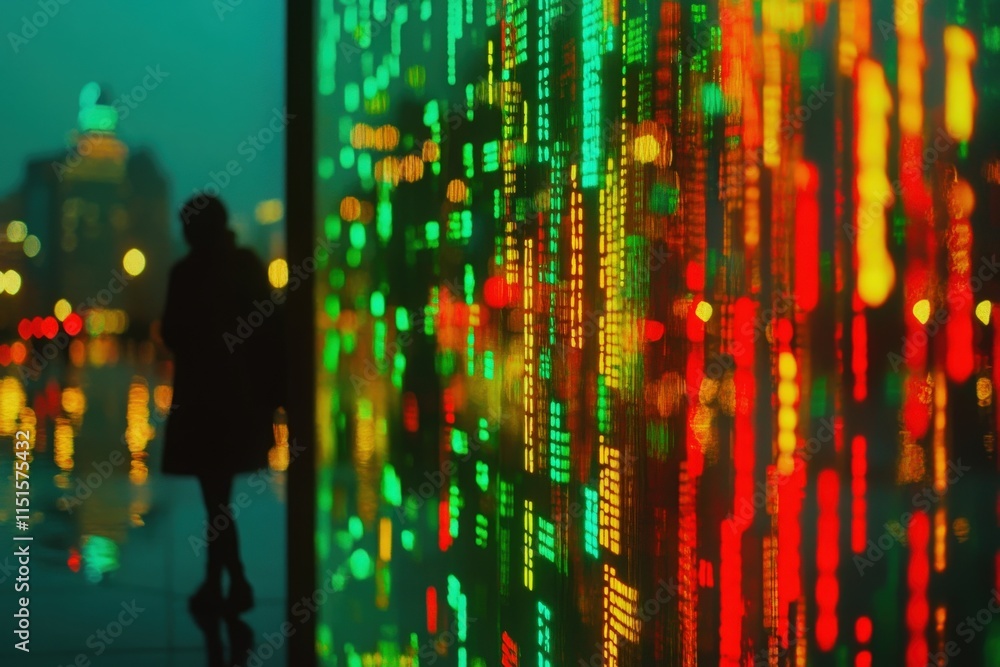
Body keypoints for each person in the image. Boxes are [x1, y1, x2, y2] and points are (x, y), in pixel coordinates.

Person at [160, 193, 283, 615]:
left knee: (215, 498)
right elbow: (268, 329)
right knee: (219, 497)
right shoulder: (245, 265)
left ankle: (229, 581)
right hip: (240, 398)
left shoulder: (186, 272)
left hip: (202, 401)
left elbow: (172, 332)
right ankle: (222, 582)